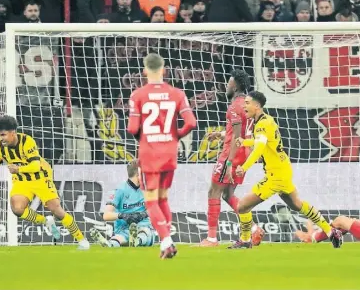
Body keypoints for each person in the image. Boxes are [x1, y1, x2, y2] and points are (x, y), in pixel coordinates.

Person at [229, 91, 342, 249]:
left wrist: (245, 167)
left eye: (247, 103)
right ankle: (331, 232)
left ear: (257, 106)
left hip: (275, 175)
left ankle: (245, 240)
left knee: (242, 206)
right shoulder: (266, 120)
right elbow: (263, 141)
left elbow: (260, 147)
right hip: (283, 170)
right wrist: (246, 142)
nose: (244, 106)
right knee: (297, 205)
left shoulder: (262, 124)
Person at [0, 116, 89, 249]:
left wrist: (18, 169)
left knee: (56, 209)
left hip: (41, 178)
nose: (1, 138)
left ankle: (81, 240)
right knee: (17, 208)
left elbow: (35, 166)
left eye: (3, 135)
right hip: (22, 181)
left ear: (13, 132)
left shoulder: (27, 141)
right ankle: (45, 221)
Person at [127, 53, 197, 259]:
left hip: (149, 154)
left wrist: (145, 136)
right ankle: (168, 239)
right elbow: (191, 122)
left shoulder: (137, 95)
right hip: (169, 152)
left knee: (150, 200)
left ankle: (166, 241)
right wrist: (175, 137)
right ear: (164, 70)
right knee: (163, 198)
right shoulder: (177, 93)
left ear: (144, 70)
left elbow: (132, 128)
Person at [200, 70, 265, 247]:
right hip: (243, 153)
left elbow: (237, 136)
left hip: (232, 154)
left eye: (229, 83)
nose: (226, 86)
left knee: (213, 191)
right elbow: (240, 131)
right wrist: (222, 134)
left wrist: (228, 162)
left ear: (235, 86)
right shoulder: (247, 104)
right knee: (228, 195)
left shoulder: (235, 106)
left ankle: (212, 239)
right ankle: (253, 229)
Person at [90, 160, 155, 248]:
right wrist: (123, 216)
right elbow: (106, 215)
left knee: (145, 232)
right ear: (139, 174)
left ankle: (135, 241)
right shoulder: (120, 190)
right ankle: (111, 244)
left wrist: (142, 214)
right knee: (120, 237)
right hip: (124, 228)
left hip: (143, 226)